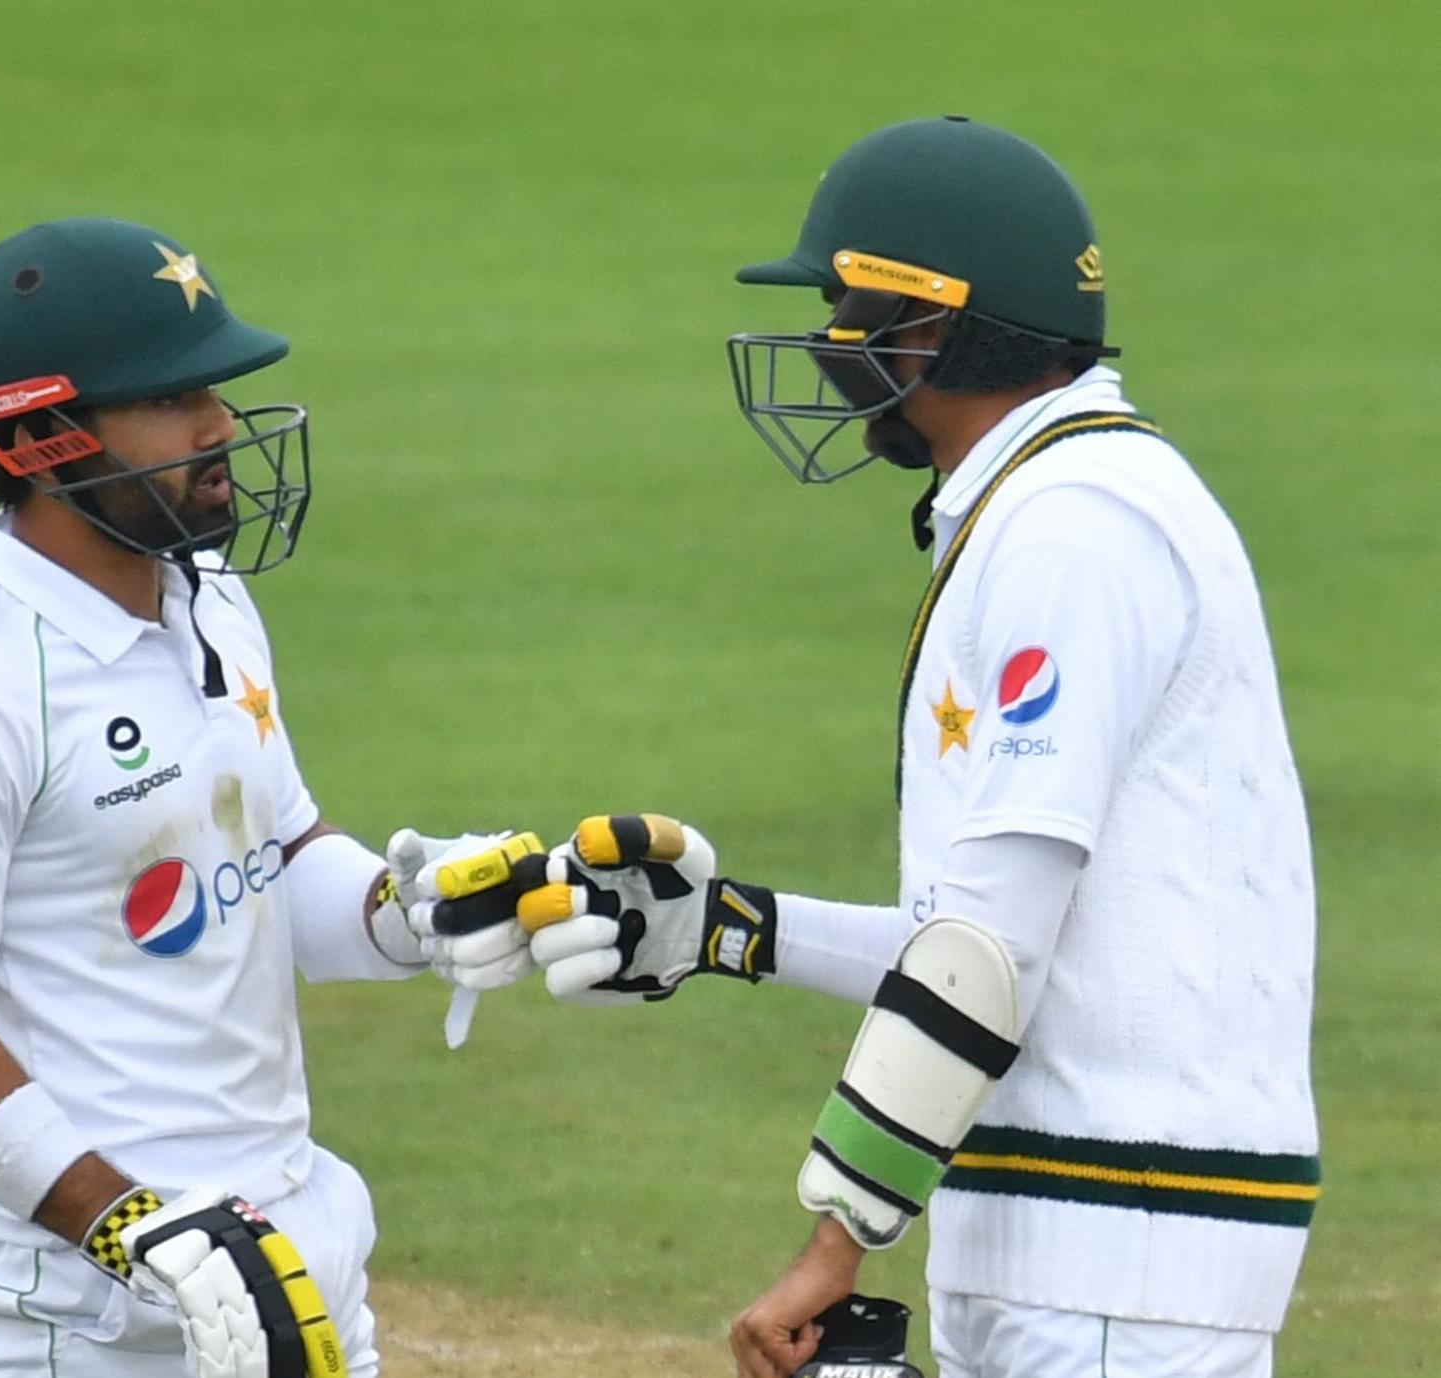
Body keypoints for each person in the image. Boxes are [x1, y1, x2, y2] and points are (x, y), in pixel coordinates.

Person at [513, 118, 1321, 1378]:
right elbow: (979, 938)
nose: (826, 343)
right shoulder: (1058, 503)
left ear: (930, 326)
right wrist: (730, 928)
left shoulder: (1073, 531)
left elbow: (985, 953)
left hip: (1115, 1249)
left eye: (845, 307)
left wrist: (837, 1239)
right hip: (1085, 1240)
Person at [0, 216, 531, 1378]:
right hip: (77, 1316)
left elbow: (269, 855)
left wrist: (407, 910)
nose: (219, 425)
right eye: (170, 399)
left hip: (289, 1263)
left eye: (210, 387)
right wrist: (133, 1229)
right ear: (39, 437)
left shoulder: (206, 596)